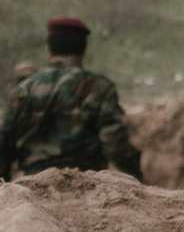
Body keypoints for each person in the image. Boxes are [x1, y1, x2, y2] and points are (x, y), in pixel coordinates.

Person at [0, 18, 143, 183]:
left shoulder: (23, 90)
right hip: (87, 185)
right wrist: (137, 176)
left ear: (49, 49)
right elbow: (116, 147)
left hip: (34, 185)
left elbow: (4, 146)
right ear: (84, 49)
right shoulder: (98, 88)